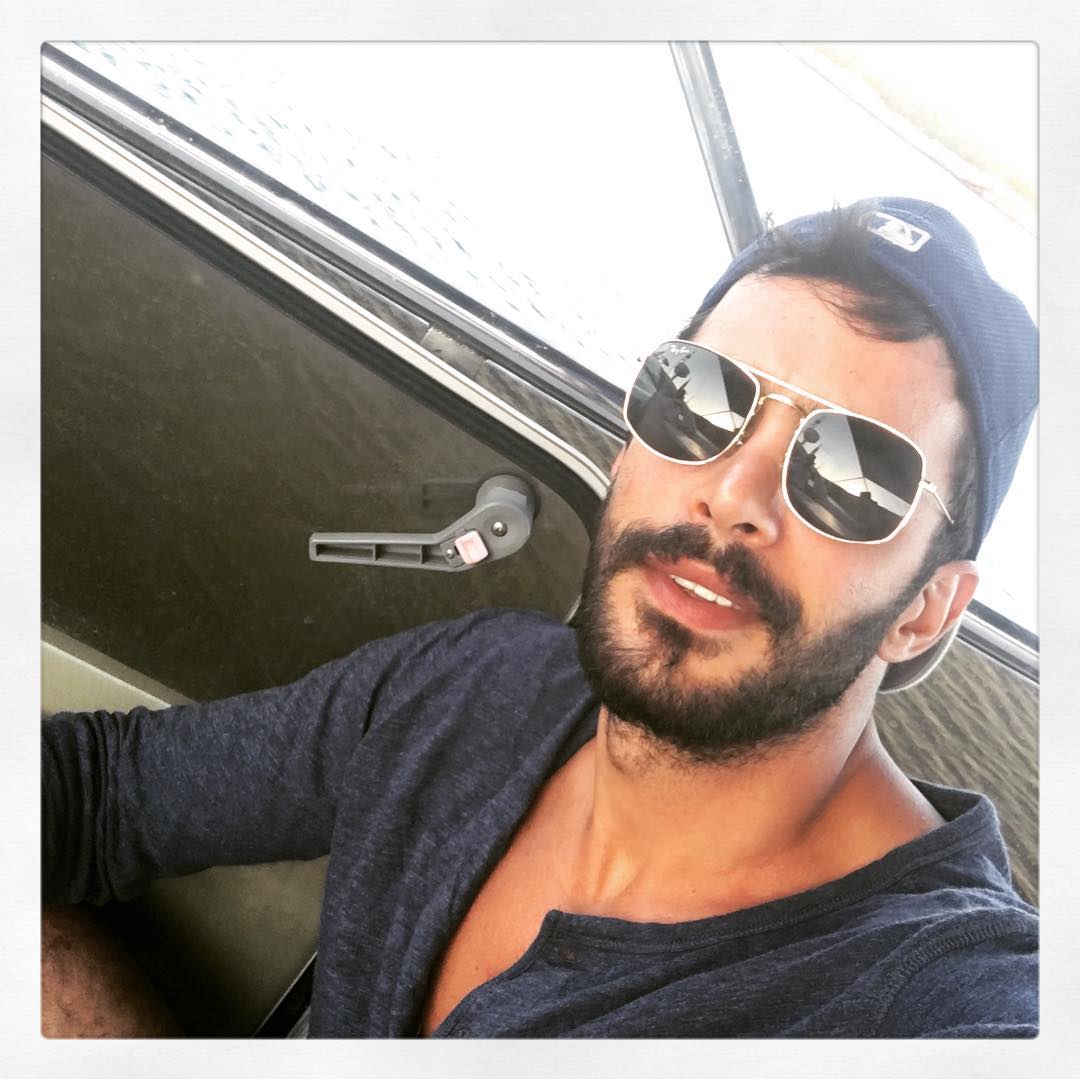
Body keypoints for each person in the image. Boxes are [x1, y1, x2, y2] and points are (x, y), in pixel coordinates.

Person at [41, 196, 1039, 1038]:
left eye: (855, 475)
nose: (734, 492)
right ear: (625, 449)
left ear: (925, 611)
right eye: (698, 400)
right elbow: (100, 795)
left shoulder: (939, 998)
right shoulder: (475, 689)